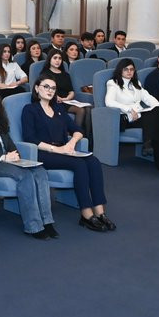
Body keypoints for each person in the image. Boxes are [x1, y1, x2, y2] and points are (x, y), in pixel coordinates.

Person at [22, 77, 115, 231]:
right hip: (43, 153)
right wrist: (57, 149)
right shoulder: (30, 109)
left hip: (64, 150)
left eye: (53, 88)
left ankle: (100, 212)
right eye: (46, 86)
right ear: (37, 88)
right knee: (79, 164)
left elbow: (78, 130)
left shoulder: (59, 109)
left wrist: (71, 143)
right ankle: (86, 214)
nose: (50, 90)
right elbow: (30, 138)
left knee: (93, 161)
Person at [0, 87, 57, 239]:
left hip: (9, 159)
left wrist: (16, 155)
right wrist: (4, 157)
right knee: (25, 176)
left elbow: (9, 142)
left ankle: (47, 221)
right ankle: (34, 226)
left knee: (40, 171)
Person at [105, 58, 159, 173]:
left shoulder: (136, 83)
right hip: (125, 117)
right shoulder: (113, 83)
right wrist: (129, 109)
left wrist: (158, 107)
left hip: (139, 116)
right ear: (120, 70)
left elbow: (148, 97)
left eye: (131, 69)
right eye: (126, 69)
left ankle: (156, 153)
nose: (129, 72)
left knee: (158, 114)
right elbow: (109, 102)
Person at [40, 49, 90, 135]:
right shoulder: (45, 74)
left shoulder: (65, 74)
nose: (57, 60)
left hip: (67, 100)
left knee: (89, 108)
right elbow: (45, 90)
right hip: (54, 101)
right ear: (49, 59)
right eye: (55, 58)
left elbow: (71, 91)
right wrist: (56, 97)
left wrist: (67, 98)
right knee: (80, 110)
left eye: (60, 58)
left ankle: (88, 137)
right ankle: (76, 134)